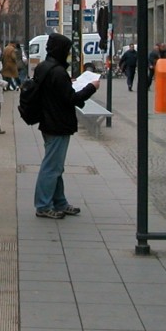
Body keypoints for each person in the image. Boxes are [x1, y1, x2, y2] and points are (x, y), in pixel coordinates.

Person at [32, 33, 99, 219]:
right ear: (61, 50)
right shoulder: (58, 71)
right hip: (58, 123)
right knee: (52, 167)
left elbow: (55, 92)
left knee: (56, 166)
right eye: (67, 51)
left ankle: (59, 202)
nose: (69, 54)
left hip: (48, 121)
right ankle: (43, 205)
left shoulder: (44, 67)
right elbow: (72, 99)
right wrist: (91, 87)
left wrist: (69, 85)